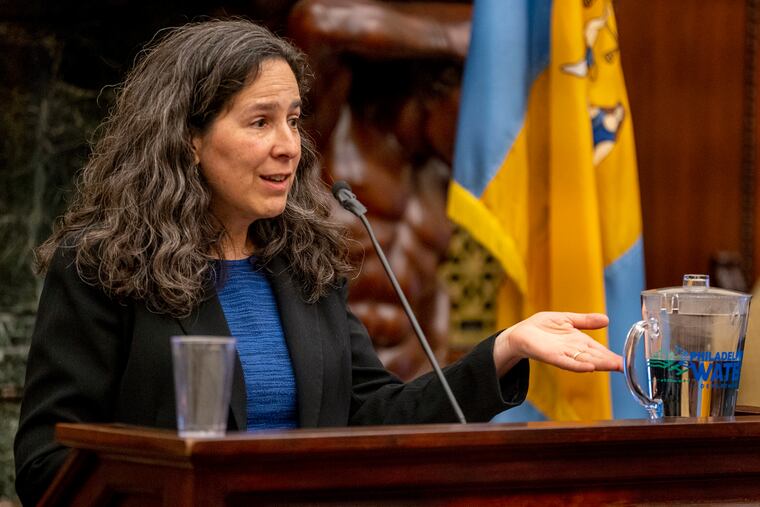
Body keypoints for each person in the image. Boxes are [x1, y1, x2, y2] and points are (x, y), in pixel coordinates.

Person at [14, 19, 622, 507]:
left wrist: (504, 350)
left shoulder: (304, 263)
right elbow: (46, 464)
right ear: (189, 139)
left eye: (293, 120)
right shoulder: (105, 265)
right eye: (260, 122)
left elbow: (373, 417)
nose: (289, 145)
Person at [288, 0, 472, 379]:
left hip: (408, 384)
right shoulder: (330, 136)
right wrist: (456, 40)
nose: (483, 128)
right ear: (437, 89)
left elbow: (432, 296)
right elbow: (317, 20)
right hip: (325, 381)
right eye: (476, 108)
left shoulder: (443, 178)